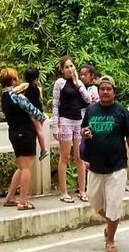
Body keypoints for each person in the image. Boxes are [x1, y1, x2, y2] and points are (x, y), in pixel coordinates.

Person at [80, 76, 129, 252]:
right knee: (94, 200)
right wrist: (84, 133)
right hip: (95, 166)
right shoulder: (91, 110)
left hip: (117, 166)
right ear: (98, 91)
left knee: (114, 205)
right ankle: (110, 223)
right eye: (102, 89)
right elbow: (83, 130)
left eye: (108, 89)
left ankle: (110, 239)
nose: (105, 92)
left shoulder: (122, 112)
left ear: (114, 91)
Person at [53, 55, 97, 203]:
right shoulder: (60, 83)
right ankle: (63, 192)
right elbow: (55, 104)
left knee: (79, 157)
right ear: (62, 69)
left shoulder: (79, 83)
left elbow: (88, 99)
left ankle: (83, 190)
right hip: (65, 121)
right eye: (66, 67)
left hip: (79, 121)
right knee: (65, 157)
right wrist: (55, 125)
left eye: (71, 66)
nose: (69, 69)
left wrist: (78, 83)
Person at [0, 67, 45, 210]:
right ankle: (23, 201)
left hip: (13, 132)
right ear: (13, 80)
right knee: (26, 167)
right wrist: (42, 116)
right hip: (25, 132)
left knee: (21, 166)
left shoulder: (4, 96)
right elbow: (33, 110)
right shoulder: (16, 96)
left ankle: (10, 197)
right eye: (16, 77)